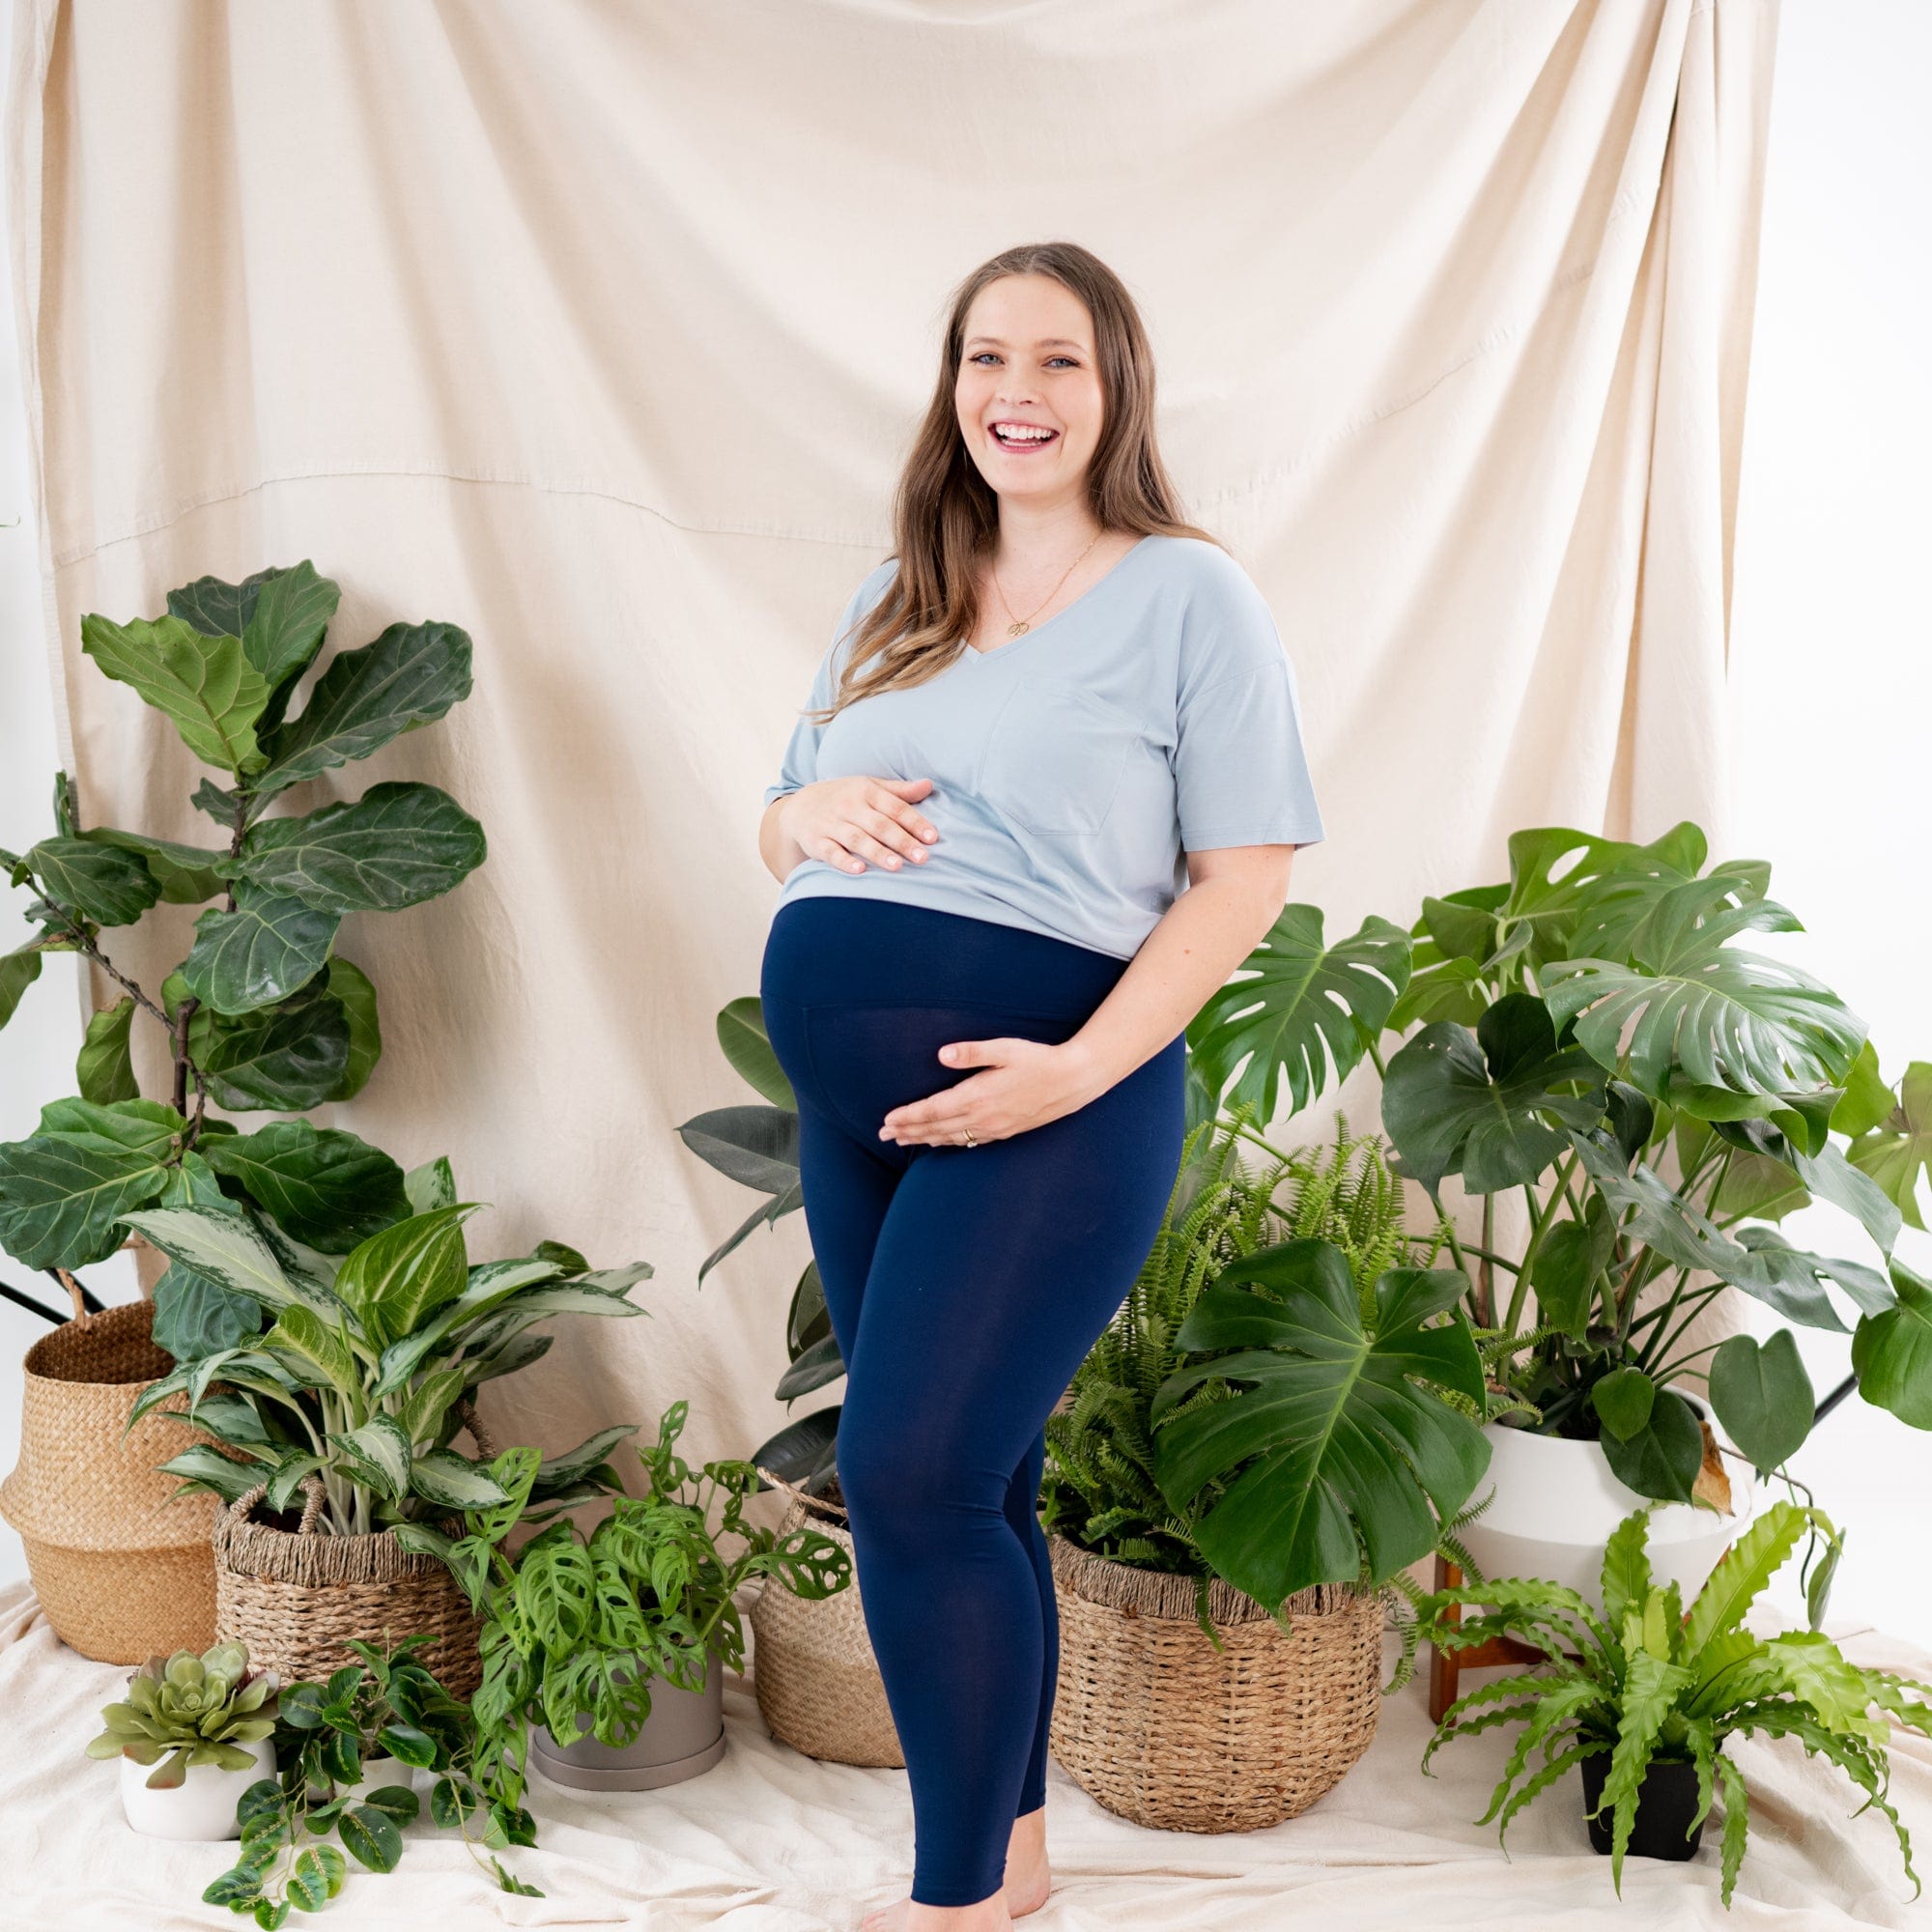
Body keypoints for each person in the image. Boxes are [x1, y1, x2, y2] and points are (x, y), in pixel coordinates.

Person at [754, 240, 1324, 1932]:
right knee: (972, 1485)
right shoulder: (896, 596)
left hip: (1058, 1092)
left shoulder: (1189, 596)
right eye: (986, 358)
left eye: (1058, 360)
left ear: (1117, 387)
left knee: (912, 1477)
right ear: (951, 390)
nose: (1017, 392)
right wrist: (804, 828)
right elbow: (780, 808)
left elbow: (1244, 879)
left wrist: (1071, 1071)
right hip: (861, 1113)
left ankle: (951, 1911)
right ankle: (1007, 1873)